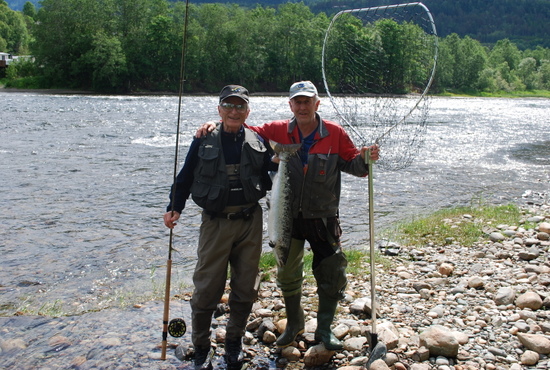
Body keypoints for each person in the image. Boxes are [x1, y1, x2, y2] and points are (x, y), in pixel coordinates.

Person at [198, 81, 379, 351]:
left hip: (323, 217)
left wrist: (366, 158)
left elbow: (356, 167)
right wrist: (212, 126)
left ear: (317, 104)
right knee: (287, 272)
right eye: (298, 101)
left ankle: (325, 329)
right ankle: (295, 324)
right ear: (290, 105)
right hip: (287, 217)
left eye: (308, 101)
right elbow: (239, 128)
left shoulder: (334, 133)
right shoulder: (276, 130)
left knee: (331, 273)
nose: (303, 106)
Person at [164, 85, 274, 370]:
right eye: (229, 106)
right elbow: (185, 175)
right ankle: (201, 346)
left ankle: (234, 343)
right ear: (219, 109)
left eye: (240, 107)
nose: (234, 111)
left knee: (246, 287)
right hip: (215, 222)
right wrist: (174, 206)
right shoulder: (203, 139)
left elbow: (272, 175)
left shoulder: (260, 140)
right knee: (207, 287)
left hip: (251, 221)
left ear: (248, 112)